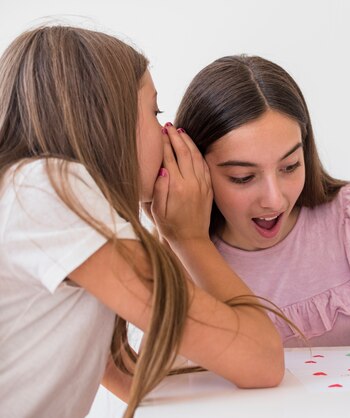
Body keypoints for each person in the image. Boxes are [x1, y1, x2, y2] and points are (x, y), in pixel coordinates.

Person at [0, 27, 284, 418]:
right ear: (105, 120)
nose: (167, 134)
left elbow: (145, 382)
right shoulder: (49, 188)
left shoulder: (30, 198)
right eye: (154, 113)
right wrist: (189, 238)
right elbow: (262, 359)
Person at [175, 55, 350, 349]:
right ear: (195, 167)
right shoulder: (183, 255)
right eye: (243, 177)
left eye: (290, 166)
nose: (274, 199)